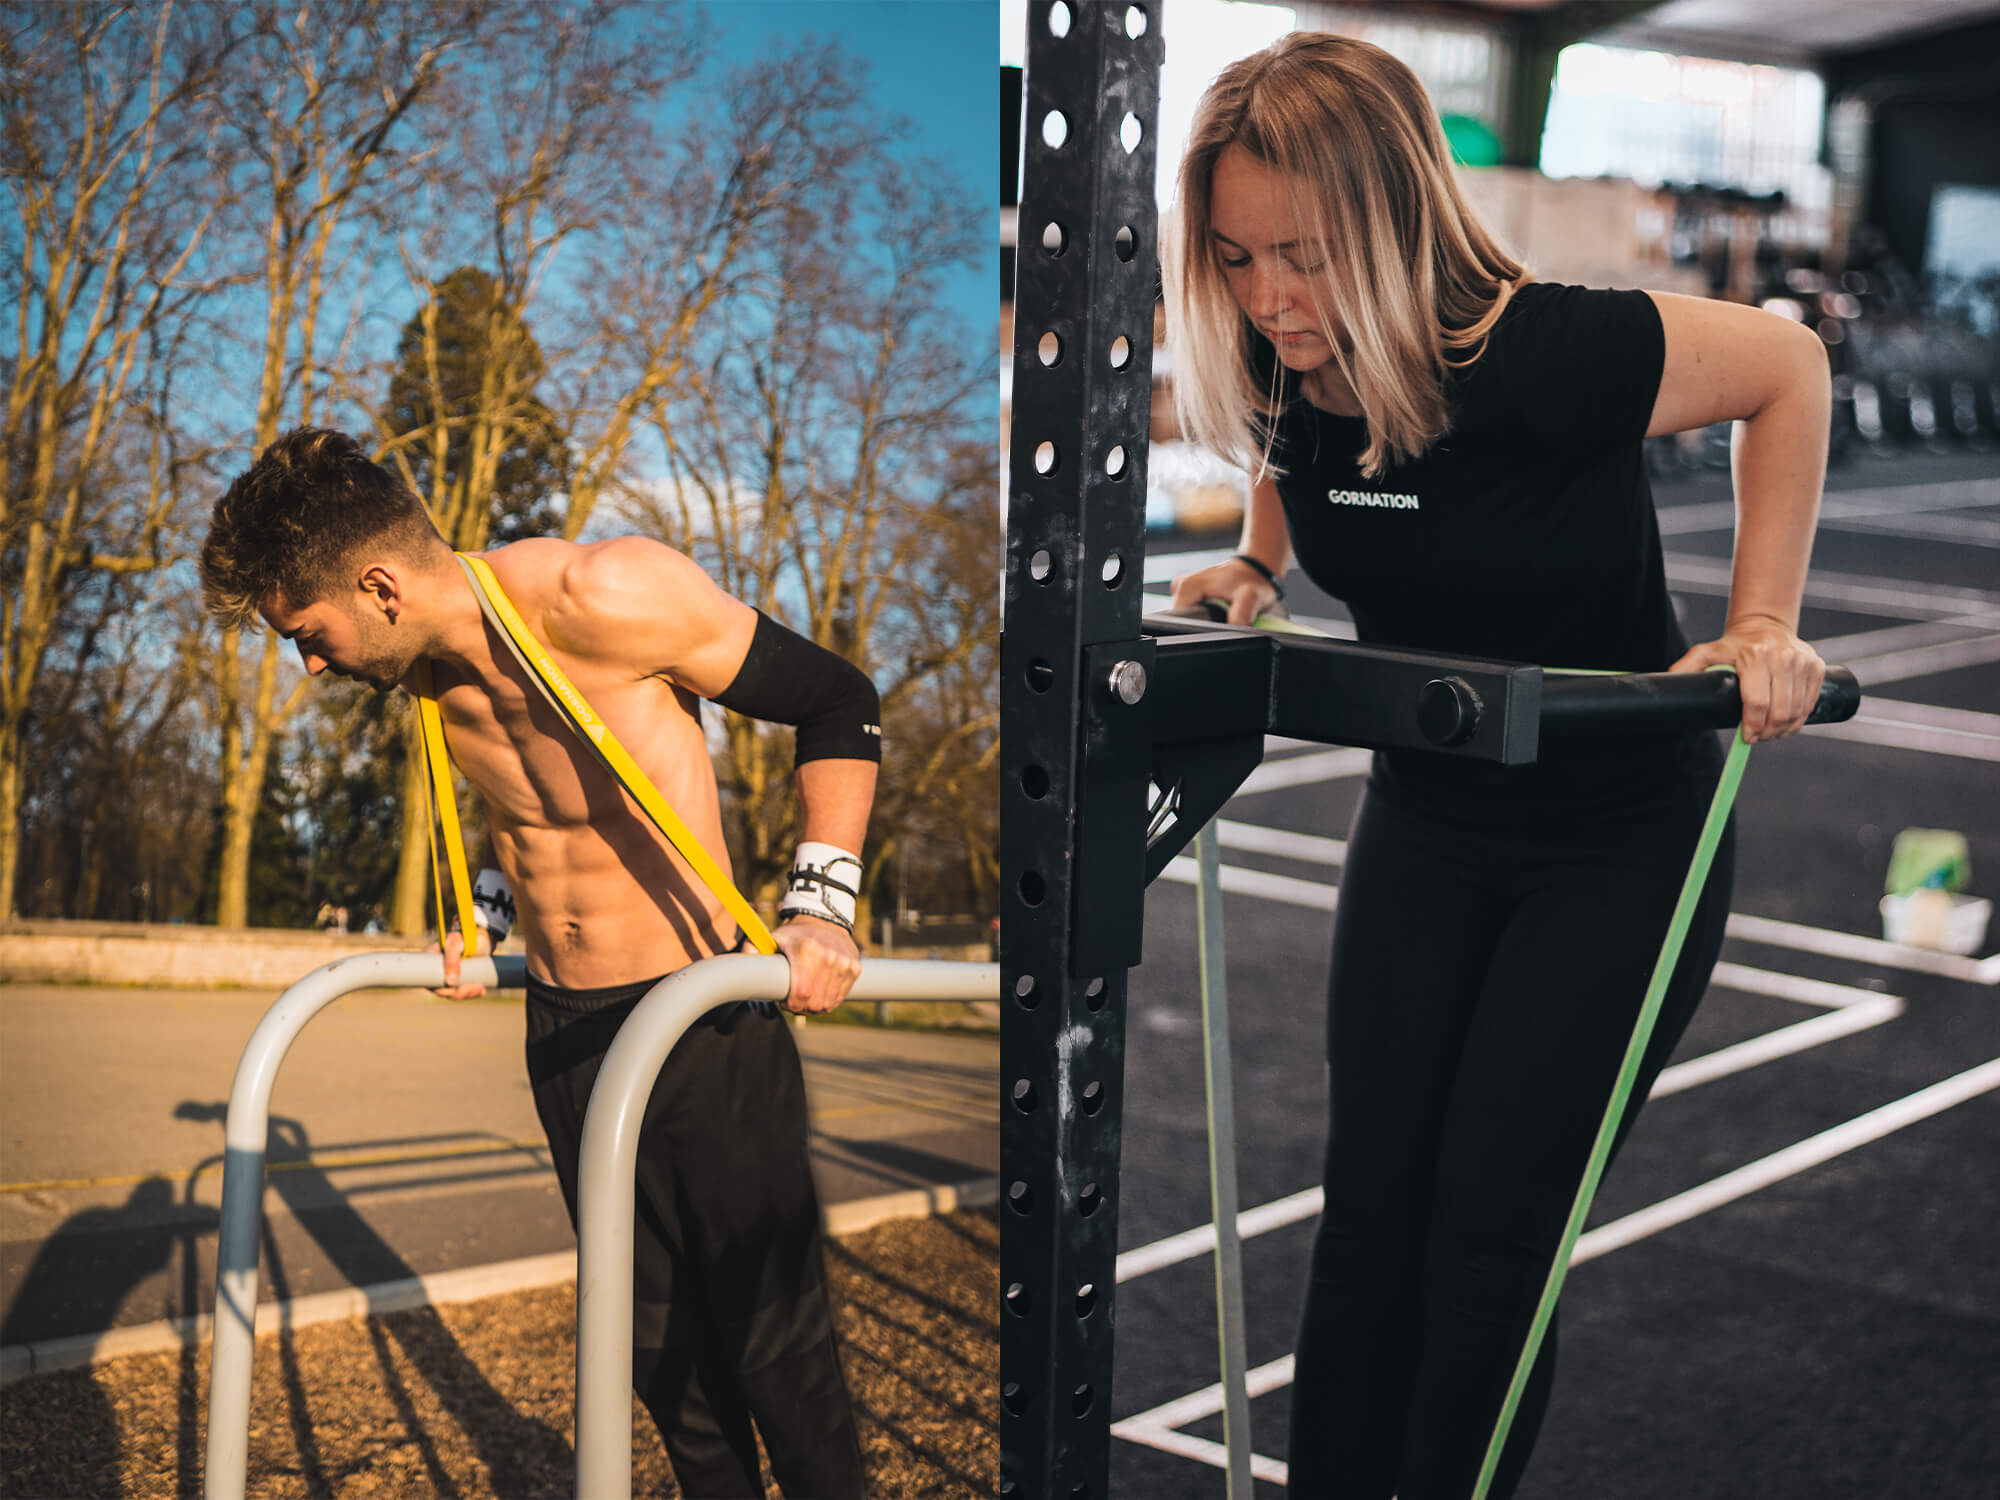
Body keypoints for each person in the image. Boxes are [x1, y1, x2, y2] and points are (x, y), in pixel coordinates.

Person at [1163, 34, 1829, 1500]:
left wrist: (1761, 624)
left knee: (1485, 1239)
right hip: (1429, 822)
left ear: (1396, 225)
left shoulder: (1541, 352)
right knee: (1372, 1213)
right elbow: (1295, 447)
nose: (1269, 299)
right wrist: (1256, 565)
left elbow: (1789, 366)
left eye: (1305, 258)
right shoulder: (1295, 360)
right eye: (1233, 258)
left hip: (1618, 842)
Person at [199, 427, 880, 1500]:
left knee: (774, 1355)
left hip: (698, 1021)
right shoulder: (429, 676)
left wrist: (821, 909)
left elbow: (838, 699)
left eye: (308, 633)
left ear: (378, 586)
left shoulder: (606, 595)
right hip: (567, 1033)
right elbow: (537, 814)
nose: (310, 663)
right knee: (659, 1359)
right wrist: (485, 920)